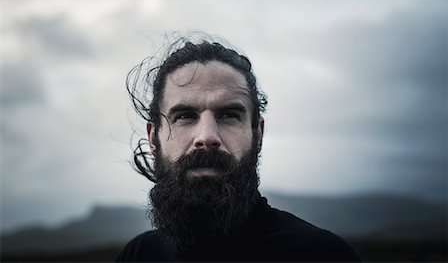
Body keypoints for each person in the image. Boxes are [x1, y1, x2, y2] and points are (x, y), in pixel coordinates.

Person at [116, 37, 361, 262]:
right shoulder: (138, 256)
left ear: (258, 134)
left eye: (228, 115)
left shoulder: (324, 256)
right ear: (152, 136)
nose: (207, 137)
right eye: (185, 116)